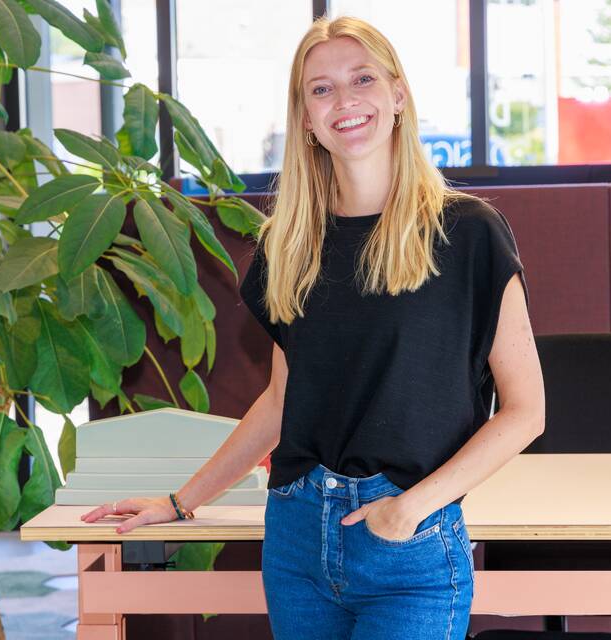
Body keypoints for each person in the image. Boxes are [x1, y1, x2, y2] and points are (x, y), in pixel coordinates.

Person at [81, 14, 545, 640]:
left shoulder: (469, 233)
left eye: (363, 79)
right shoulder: (292, 242)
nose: (344, 101)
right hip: (297, 534)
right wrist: (180, 501)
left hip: (407, 541)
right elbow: (282, 401)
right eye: (321, 89)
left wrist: (410, 508)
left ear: (398, 94)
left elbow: (525, 411)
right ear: (305, 118)